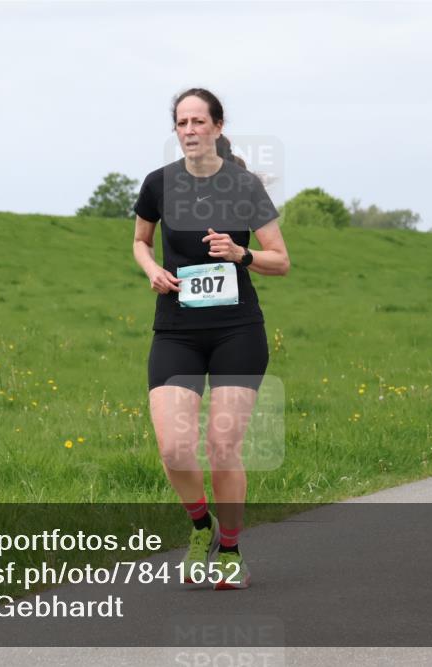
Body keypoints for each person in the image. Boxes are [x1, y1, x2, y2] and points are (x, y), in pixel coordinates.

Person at [132, 88, 290, 590]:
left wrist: (241, 254)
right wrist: (152, 270)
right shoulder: (158, 183)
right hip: (176, 330)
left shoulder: (244, 186)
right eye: (182, 122)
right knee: (174, 449)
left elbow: (281, 261)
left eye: (199, 121)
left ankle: (231, 550)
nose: (190, 130)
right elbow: (140, 242)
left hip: (236, 331)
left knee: (222, 447)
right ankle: (202, 526)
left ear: (218, 127)